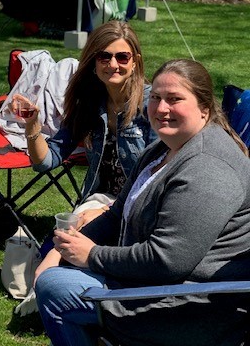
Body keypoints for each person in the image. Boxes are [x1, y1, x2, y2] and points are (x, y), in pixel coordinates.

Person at [35, 59, 250, 346]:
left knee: (55, 287)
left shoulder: (208, 169)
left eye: (175, 99)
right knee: (56, 271)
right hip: (149, 281)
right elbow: (115, 215)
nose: (161, 109)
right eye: (157, 98)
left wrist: (91, 256)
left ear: (204, 108)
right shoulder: (159, 150)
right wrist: (59, 253)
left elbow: (168, 261)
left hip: (186, 304)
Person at [17, 21, 157, 226]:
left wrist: (107, 211)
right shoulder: (89, 105)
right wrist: (32, 124)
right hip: (99, 200)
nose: (113, 64)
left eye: (122, 57)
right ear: (94, 62)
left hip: (139, 207)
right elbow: (44, 162)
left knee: (70, 244)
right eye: (104, 56)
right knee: (62, 244)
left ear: (135, 61)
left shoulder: (152, 107)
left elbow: (156, 177)